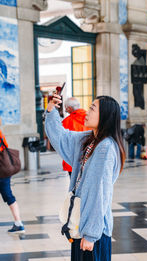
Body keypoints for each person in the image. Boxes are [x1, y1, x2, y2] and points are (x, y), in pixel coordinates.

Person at [45, 94, 126, 261]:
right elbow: (61, 137)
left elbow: (99, 193)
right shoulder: (89, 139)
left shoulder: (106, 148)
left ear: (105, 116)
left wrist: (91, 234)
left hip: (92, 232)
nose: (87, 112)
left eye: (92, 108)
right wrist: (51, 109)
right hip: (81, 224)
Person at [0, 118, 25, 234]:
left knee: (8, 196)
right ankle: (18, 223)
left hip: (2, 171)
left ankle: (19, 223)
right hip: (4, 170)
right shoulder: (1, 133)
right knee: (9, 196)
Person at [62, 97, 90, 176]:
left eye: (66, 108)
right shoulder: (90, 118)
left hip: (72, 161)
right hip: (89, 158)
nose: (66, 110)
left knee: (75, 185)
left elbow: (62, 142)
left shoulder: (66, 122)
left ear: (70, 108)